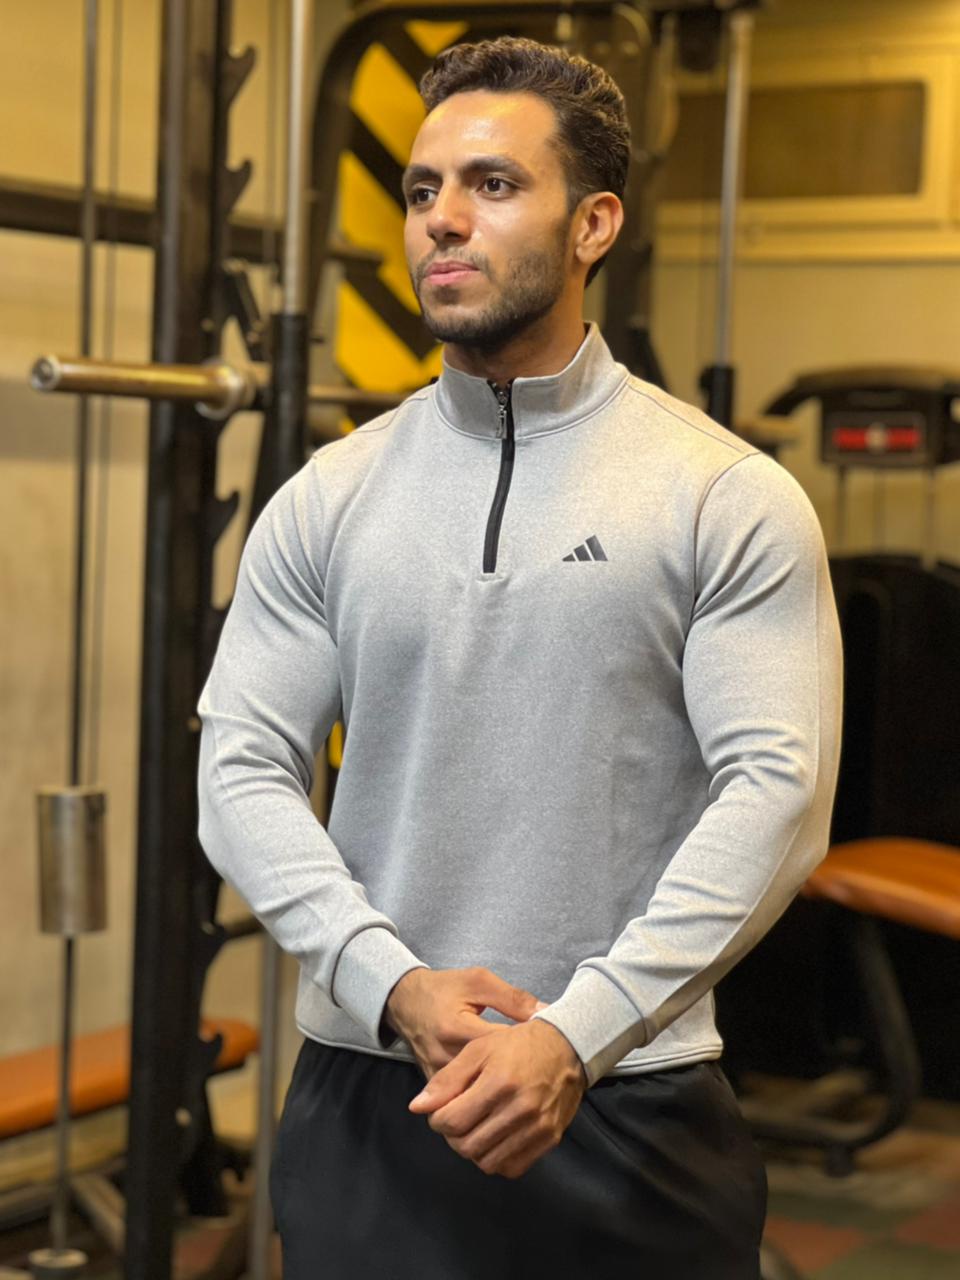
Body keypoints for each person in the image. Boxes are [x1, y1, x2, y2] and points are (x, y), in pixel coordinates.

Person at [198, 35, 842, 1280]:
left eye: (492, 184)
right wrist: (391, 980)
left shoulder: (723, 496)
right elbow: (240, 766)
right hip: (377, 1084)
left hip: (630, 1094)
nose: (442, 219)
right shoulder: (329, 496)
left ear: (594, 224)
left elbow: (778, 793)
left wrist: (579, 1030)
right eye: (422, 189)